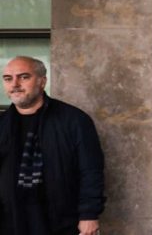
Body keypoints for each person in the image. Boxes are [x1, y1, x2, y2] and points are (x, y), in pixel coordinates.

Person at [0, 56, 105, 235]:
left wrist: (89, 214)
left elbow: (91, 170)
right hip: (9, 220)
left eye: (24, 77)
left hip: (60, 220)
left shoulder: (74, 120)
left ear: (42, 81)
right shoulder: (2, 123)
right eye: (8, 79)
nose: (15, 84)